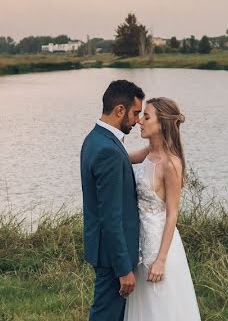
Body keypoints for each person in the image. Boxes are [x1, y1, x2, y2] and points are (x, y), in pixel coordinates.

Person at [124, 97, 201, 321]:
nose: (140, 122)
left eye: (146, 117)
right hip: (141, 244)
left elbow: (172, 214)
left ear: (162, 124)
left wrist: (160, 260)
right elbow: (120, 158)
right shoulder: (147, 153)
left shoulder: (171, 163)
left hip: (160, 247)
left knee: (164, 308)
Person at [80, 79, 149, 321]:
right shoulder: (108, 150)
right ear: (120, 110)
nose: (138, 120)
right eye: (135, 113)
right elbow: (111, 216)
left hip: (104, 249)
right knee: (106, 315)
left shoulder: (96, 139)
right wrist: (123, 269)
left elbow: (121, 160)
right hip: (112, 256)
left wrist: (158, 145)